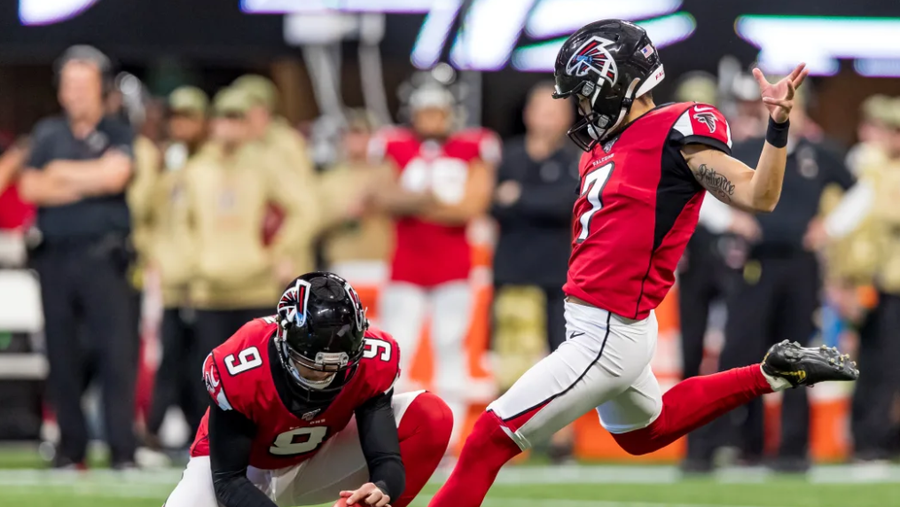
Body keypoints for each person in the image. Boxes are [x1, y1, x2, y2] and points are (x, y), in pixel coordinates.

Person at [427, 20, 858, 507]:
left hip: (609, 328)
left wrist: (777, 128)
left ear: (616, 83)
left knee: (488, 438)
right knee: (644, 434)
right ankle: (772, 372)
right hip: (601, 322)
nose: (581, 108)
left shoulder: (679, 131)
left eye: (586, 94)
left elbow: (759, 195)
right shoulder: (606, 144)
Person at [164, 272, 454, 507]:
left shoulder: (371, 360)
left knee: (431, 415)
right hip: (244, 470)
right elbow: (228, 479)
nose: (325, 375)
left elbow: (385, 458)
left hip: (317, 455)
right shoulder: (243, 365)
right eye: (310, 365)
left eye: (337, 366)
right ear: (284, 343)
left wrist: (381, 487)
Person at [719, 82, 855, 472]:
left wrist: (830, 227)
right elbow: (704, 189)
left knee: (797, 357)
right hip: (755, 263)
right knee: (745, 353)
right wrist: (731, 219)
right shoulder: (745, 151)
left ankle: (794, 450)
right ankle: (748, 444)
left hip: (800, 262)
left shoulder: (820, 153)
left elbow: (860, 192)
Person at [18, 45, 138, 469]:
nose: (76, 94)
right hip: (54, 259)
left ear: (100, 88)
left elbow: (117, 176)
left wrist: (61, 175)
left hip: (104, 259)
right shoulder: (47, 133)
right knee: (62, 354)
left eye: (83, 85)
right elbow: (31, 187)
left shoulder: (120, 131)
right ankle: (71, 448)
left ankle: (122, 448)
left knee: (115, 355)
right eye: (69, 85)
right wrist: (90, 176)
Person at [373, 82, 499, 442]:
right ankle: (396, 434)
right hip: (406, 270)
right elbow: (381, 195)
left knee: (450, 349)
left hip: (453, 270)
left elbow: (471, 206)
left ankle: (449, 437)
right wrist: (439, 203)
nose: (430, 119)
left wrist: (415, 201)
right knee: (398, 352)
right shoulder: (394, 145)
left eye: (436, 111)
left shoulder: (471, 147)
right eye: (424, 111)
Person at [183, 87, 319, 422]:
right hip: (209, 288)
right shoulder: (196, 169)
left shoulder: (263, 166)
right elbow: (179, 225)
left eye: (236, 119)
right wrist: (193, 262)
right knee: (209, 374)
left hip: (255, 284)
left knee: (262, 377)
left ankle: (262, 444)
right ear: (213, 124)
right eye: (223, 119)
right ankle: (210, 446)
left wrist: (278, 251)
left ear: (246, 126)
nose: (229, 127)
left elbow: (306, 208)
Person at [490, 81, 579, 461]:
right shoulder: (507, 156)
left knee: (564, 356)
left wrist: (520, 197)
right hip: (514, 273)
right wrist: (539, 201)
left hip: (560, 276)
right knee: (513, 359)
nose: (547, 118)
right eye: (541, 109)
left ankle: (562, 439)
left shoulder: (576, 158)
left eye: (555, 111)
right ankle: (509, 438)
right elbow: (491, 204)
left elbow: (569, 204)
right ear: (527, 114)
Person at [144, 86, 211, 446]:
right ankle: (156, 426)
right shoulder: (168, 166)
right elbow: (155, 218)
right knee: (169, 357)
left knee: (202, 362)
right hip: (171, 277)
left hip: (205, 280)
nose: (181, 125)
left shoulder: (213, 166)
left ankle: (197, 431)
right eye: (177, 117)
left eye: (189, 117)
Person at [317, 109, 393, 280]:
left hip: (384, 262)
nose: (357, 140)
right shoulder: (329, 179)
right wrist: (345, 213)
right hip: (343, 263)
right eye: (352, 134)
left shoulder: (388, 172)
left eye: (363, 134)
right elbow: (315, 219)